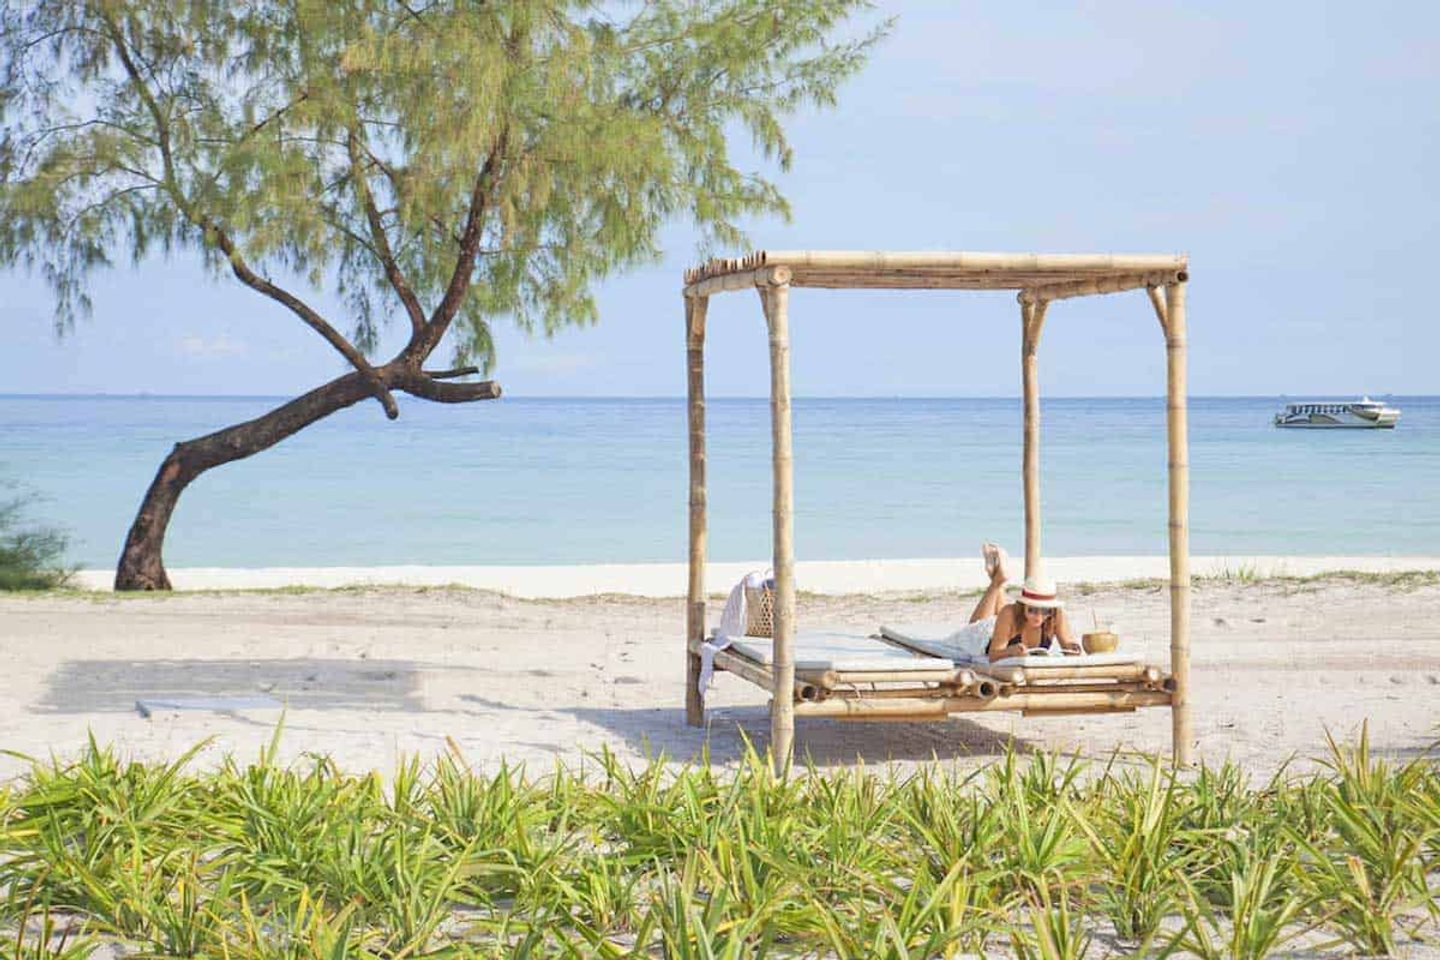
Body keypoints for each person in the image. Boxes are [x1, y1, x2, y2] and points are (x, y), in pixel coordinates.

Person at [954, 542, 1080, 661]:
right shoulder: (1009, 612)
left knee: (1001, 616)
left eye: (1045, 611)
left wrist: (1073, 648)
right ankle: (997, 581)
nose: (1039, 617)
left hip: (1003, 627)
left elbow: (1068, 645)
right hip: (983, 638)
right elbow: (993, 655)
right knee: (975, 625)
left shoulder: (1056, 615)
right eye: (1032, 610)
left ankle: (997, 576)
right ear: (1023, 605)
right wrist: (1010, 651)